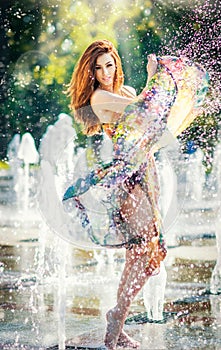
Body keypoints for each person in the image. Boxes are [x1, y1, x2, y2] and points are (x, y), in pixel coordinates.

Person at [66, 39, 208, 349]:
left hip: (148, 172)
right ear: (90, 73)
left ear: (116, 63)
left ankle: (117, 316)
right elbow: (143, 108)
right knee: (144, 244)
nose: (105, 72)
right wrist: (154, 75)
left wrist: (179, 97)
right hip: (126, 177)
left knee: (150, 251)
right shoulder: (100, 98)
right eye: (98, 67)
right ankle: (116, 321)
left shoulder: (127, 90)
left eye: (109, 64)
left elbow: (155, 120)